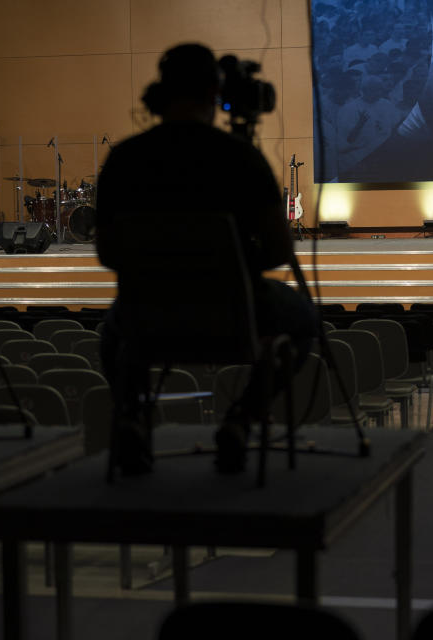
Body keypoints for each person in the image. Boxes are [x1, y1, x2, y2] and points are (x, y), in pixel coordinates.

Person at [96, 43, 317, 475]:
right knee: (305, 320)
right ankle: (242, 420)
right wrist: (237, 262)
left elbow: (108, 252)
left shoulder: (124, 160)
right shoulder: (241, 158)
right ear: (215, 93)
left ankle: (131, 420)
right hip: (236, 317)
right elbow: (278, 250)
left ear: (160, 91)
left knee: (111, 333)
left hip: (148, 320)